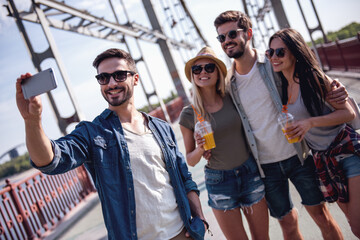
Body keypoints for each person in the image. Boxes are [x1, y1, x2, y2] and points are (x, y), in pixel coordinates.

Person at [15, 48, 208, 240]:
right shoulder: (93, 133)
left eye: (119, 75)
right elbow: (51, 160)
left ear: (135, 79)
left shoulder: (162, 128)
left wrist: (199, 219)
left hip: (181, 233)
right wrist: (32, 121)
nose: (112, 83)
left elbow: (184, 178)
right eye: (103, 78)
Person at [213, 10, 346, 240]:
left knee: (321, 216)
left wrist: (333, 87)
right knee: (287, 222)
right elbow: (213, 109)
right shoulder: (229, 83)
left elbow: (303, 72)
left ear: (249, 33)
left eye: (232, 33)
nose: (227, 41)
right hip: (266, 166)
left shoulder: (272, 63)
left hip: (299, 155)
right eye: (221, 37)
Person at [267, 28, 360, 238]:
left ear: (294, 52)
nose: (274, 57)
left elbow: (348, 112)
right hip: (323, 161)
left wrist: (310, 122)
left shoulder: (312, 78)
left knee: (357, 225)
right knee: (354, 225)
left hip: (346, 151)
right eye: (270, 52)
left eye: (280, 52)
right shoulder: (283, 86)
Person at [179, 46, 269, 240]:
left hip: (249, 172)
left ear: (218, 72)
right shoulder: (188, 114)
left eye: (209, 67)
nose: (203, 72)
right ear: (193, 75)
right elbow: (191, 160)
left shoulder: (233, 97)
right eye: (197, 69)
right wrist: (201, 147)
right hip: (219, 182)